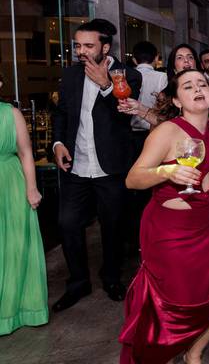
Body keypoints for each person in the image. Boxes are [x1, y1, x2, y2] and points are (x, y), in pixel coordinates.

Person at [119, 69, 209, 364]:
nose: (197, 89)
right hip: (169, 233)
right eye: (188, 86)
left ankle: (194, 355)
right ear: (176, 100)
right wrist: (166, 171)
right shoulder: (167, 131)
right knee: (170, 304)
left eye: (202, 84)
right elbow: (133, 179)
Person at [52, 19, 142, 311]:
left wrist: (106, 85)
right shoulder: (71, 75)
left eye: (88, 45)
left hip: (111, 167)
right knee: (68, 224)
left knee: (112, 226)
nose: (81, 51)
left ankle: (111, 278)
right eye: (77, 45)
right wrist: (58, 143)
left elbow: (124, 115)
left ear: (105, 47)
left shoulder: (128, 75)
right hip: (76, 166)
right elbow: (61, 113)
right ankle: (78, 283)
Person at [0, 94, 48, 335]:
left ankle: (13, 311)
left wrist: (31, 188)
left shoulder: (11, 113)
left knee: (14, 246)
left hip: (9, 183)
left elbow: (26, 153)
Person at [125, 41, 168, 254]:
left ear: (134, 59)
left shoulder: (128, 75)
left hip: (132, 136)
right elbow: (164, 108)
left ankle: (135, 236)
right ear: (156, 58)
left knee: (134, 186)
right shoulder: (162, 77)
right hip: (154, 133)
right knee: (149, 183)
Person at [119, 43, 201, 128]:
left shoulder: (205, 88)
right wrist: (139, 108)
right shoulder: (166, 94)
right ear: (174, 68)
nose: (186, 60)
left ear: (196, 63)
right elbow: (160, 121)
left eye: (190, 57)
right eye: (180, 57)